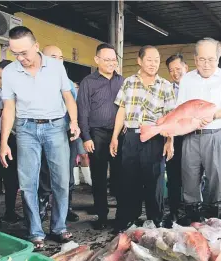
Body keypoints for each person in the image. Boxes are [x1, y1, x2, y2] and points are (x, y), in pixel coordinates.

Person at [0, 26, 80, 249]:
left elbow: (68, 97)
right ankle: (35, 231)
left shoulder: (55, 67)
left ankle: (58, 228)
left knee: (61, 181)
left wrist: (73, 122)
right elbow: (9, 108)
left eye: (24, 52)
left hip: (55, 127)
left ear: (36, 46)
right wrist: (5, 141)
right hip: (26, 130)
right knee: (28, 184)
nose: (21, 58)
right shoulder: (10, 73)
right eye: (15, 53)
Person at [110, 45, 175, 232]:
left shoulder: (165, 85)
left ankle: (156, 221)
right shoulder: (129, 82)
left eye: (156, 60)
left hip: (155, 139)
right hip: (130, 137)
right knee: (129, 180)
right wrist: (115, 137)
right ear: (139, 61)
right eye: (149, 60)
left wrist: (170, 141)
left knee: (155, 182)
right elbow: (121, 110)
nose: (153, 64)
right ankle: (128, 219)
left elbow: (170, 117)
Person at [177, 38, 221, 223]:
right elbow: (181, 108)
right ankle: (193, 219)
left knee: (218, 179)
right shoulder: (187, 79)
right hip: (191, 136)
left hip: (216, 135)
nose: (206, 64)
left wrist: (213, 116)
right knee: (189, 177)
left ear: (218, 59)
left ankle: (216, 219)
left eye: (211, 59)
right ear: (195, 59)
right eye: (202, 59)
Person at [77, 43, 124, 230]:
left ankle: (121, 216)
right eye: (107, 59)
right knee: (98, 177)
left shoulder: (122, 81)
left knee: (120, 176)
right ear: (97, 60)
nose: (111, 63)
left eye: (114, 59)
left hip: (119, 135)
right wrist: (86, 137)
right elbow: (83, 112)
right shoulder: (88, 82)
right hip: (97, 135)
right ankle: (102, 215)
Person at [37, 45, 81, 223]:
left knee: (67, 174)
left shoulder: (69, 83)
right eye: (53, 57)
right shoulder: (36, 81)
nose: (58, 61)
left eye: (61, 57)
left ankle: (66, 208)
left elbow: (74, 109)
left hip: (66, 135)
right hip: (44, 136)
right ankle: (42, 209)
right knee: (45, 174)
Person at [0, 60, 21, 228]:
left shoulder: (20, 97)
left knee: (12, 179)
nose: (2, 81)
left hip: (15, 140)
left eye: (6, 77)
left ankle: (10, 211)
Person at [164, 53, 188, 225]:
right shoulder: (167, 90)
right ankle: (174, 212)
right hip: (174, 138)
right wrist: (169, 140)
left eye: (178, 69)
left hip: (194, 138)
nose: (175, 73)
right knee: (173, 176)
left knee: (193, 176)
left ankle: (192, 211)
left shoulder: (195, 88)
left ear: (186, 68)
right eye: (171, 70)